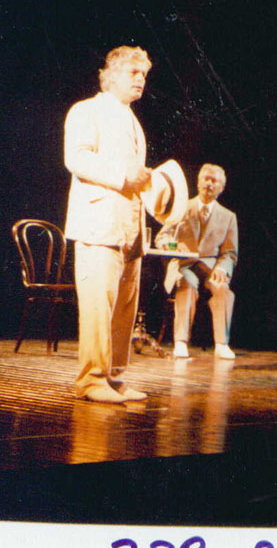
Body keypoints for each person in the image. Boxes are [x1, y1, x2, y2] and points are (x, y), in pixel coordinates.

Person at [64, 45, 188, 403]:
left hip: (130, 228)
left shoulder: (132, 120)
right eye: (134, 73)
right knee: (99, 308)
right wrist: (123, 176)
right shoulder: (86, 110)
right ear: (111, 74)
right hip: (99, 225)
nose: (141, 80)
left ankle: (115, 378)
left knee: (124, 309)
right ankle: (91, 381)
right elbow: (76, 158)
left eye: (144, 75)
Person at [155, 163, 238, 359]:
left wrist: (222, 269)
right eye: (205, 179)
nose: (209, 184)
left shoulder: (228, 217)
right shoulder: (182, 208)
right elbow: (162, 237)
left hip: (210, 266)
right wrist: (173, 246)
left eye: (214, 181)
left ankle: (222, 344)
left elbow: (229, 252)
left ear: (221, 187)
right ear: (199, 182)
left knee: (223, 289)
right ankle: (181, 342)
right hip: (184, 265)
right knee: (187, 284)